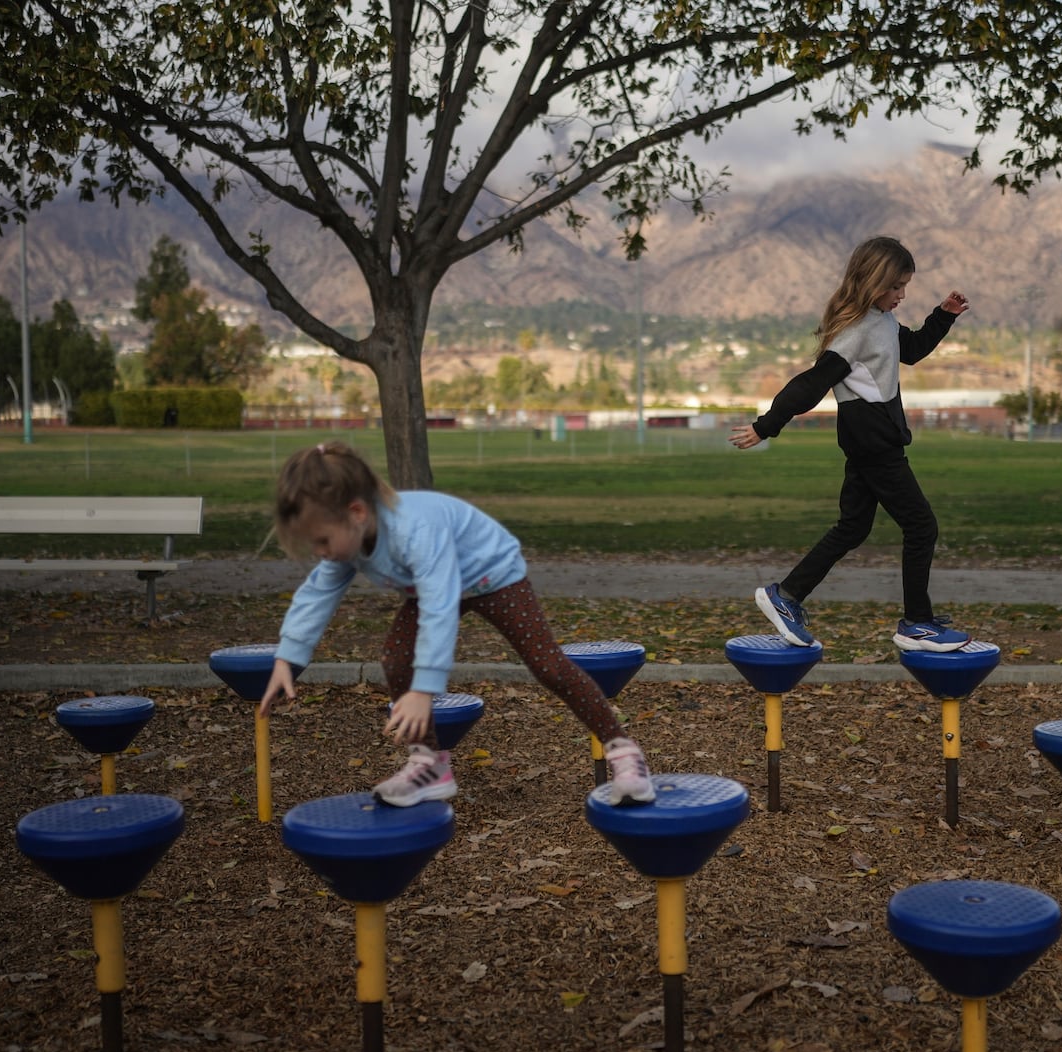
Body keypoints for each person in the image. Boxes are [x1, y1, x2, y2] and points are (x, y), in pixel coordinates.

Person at [256, 441, 656, 807]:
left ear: (357, 513)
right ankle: (430, 765)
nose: (319, 552)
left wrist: (425, 689)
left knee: (548, 665)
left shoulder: (414, 531)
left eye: (322, 541)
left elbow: (439, 605)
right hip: (436, 584)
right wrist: (287, 659)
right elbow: (316, 595)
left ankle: (624, 753)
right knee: (396, 658)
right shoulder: (349, 540)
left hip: (493, 573)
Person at [729, 235, 972, 653]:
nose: (900, 295)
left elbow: (910, 351)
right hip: (875, 444)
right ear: (873, 280)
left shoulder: (882, 322)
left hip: (871, 442)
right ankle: (916, 623)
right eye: (895, 287)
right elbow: (808, 385)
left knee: (853, 527)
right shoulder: (854, 332)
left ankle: (785, 596)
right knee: (921, 525)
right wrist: (766, 426)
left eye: (904, 288)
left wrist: (942, 317)